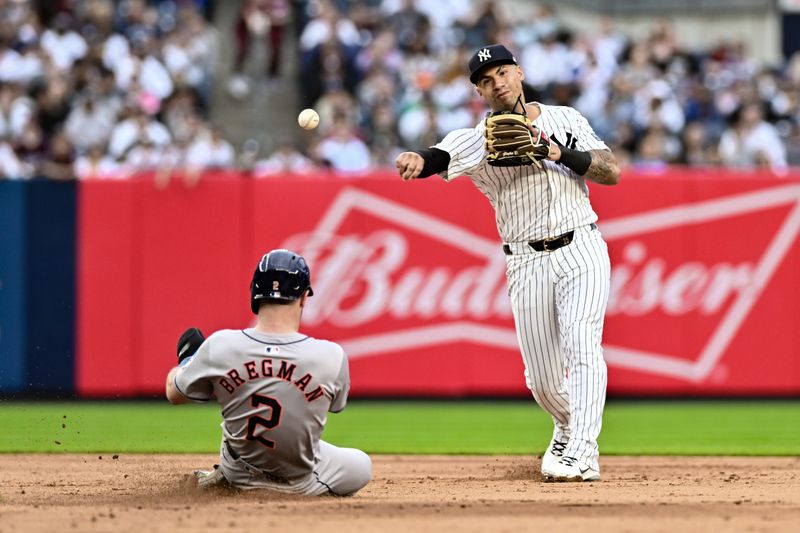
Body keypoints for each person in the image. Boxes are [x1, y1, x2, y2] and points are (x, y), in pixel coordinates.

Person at [395, 44, 621, 482]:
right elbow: (437, 156)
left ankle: (582, 451)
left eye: (501, 72)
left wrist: (557, 152)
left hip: (581, 247)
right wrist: (416, 160)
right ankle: (567, 425)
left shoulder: (566, 120)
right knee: (541, 379)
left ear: (518, 73)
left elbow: (609, 171)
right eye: (485, 80)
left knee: (583, 345)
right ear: (479, 92)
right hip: (524, 260)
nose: (496, 83)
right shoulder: (474, 141)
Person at [165, 249, 372, 496]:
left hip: (237, 471)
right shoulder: (331, 355)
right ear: (304, 297)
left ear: (254, 293)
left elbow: (174, 394)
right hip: (298, 480)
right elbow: (335, 405)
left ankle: (226, 476)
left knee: (235, 403)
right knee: (361, 464)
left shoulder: (220, 345)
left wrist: (189, 361)